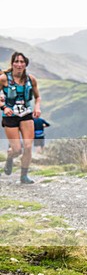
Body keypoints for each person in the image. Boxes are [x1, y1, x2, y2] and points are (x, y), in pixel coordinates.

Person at [1, 52, 42, 183]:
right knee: (17, 150)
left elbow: (37, 97)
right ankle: (10, 156)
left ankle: (24, 176)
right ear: (12, 63)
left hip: (26, 114)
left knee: (28, 147)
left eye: (22, 62)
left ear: (26, 64)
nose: (19, 64)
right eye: (16, 61)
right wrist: (4, 107)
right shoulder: (4, 78)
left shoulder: (31, 79)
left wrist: (37, 107)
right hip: (10, 116)